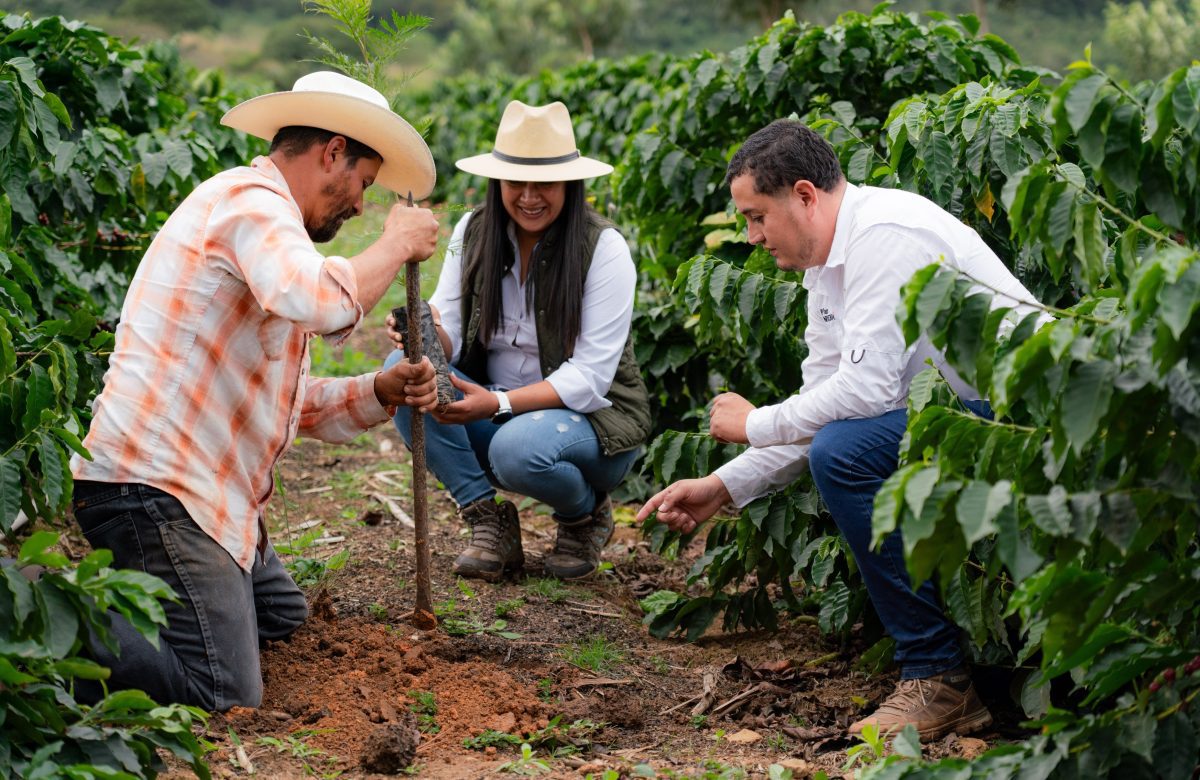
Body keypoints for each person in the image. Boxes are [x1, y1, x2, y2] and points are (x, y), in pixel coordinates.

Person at [637, 120, 1046, 740]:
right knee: (839, 441)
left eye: (756, 217)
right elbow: (823, 400)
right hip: (967, 417)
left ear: (804, 195)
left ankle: (938, 677)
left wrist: (751, 425)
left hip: (1025, 414)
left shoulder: (885, 235)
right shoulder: (826, 269)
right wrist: (723, 486)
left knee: (844, 452)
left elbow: (863, 394)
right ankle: (938, 670)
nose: (750, 237)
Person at [68, 71, 442, 711]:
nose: (358, 205)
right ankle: (38, 622)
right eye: (362, 184)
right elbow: (321, 300)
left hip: (204, 495)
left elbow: (280, 401)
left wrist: (378, 389)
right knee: (225, 690)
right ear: (331, 153)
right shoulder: (250, 202)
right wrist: (394, 242)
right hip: (154, 488)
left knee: (283, 623)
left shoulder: (270, 230)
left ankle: (139, 607)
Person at [384, 100, 651, 582]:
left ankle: (583, 515)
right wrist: (423, 333)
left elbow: (590, 378)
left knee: (516, 450)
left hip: (590, 426)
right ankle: (488, 520)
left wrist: (498, 404)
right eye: (516, 183)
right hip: (497, 411)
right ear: (497, 182)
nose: (529, 196)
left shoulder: (602, 248)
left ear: (570, 184)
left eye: (545, 183)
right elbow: (453, 331)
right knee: (404, 373)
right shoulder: (474, 231)